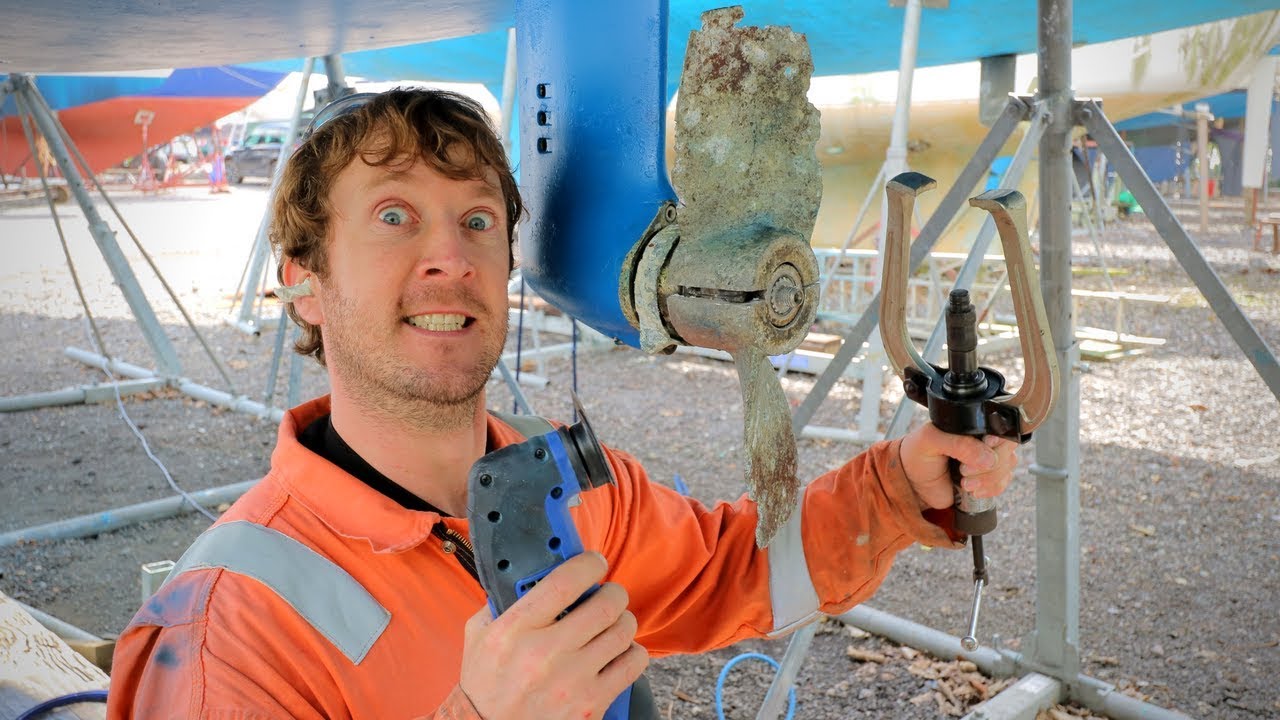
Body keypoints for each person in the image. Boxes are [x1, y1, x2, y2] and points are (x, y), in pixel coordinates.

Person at [106, 88, 1019, 720]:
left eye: (476, 222)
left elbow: (732, 571)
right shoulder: (228, 626)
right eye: (393, 216)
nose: (449, 259)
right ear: (302, 280)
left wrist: (900, 485)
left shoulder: (558, 484)